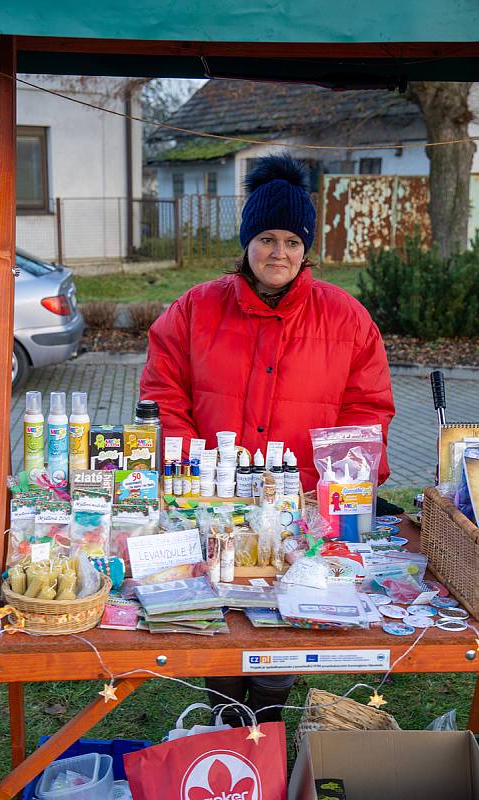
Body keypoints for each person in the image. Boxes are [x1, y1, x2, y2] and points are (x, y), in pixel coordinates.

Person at [140, 152, 395, 723]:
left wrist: (340, 490)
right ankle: (225, 712)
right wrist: (193, 468)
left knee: (284, 612)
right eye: (266, 239)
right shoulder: (195, 309)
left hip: (300, 506)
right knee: (224, 610)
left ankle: (271, 712)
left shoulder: (346, 319)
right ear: (246, 242)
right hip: (214, 499)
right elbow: (164, 394)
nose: (278, 253)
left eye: (291, 241)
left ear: (307, 250)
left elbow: (368, 409)